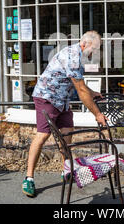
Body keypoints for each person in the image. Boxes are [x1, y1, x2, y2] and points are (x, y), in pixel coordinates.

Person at [22, 30, 107, 198]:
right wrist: (97, 114)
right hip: (47, 97)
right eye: (95, 48)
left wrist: (92, 92)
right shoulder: (74, 57)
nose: (96, 52)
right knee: (43, 135)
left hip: (63, 100)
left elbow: (79, 84)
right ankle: (29, 178)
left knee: (67, 133)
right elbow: (81, 90)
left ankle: (66, 170)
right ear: (85, 45)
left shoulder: (79, 55)